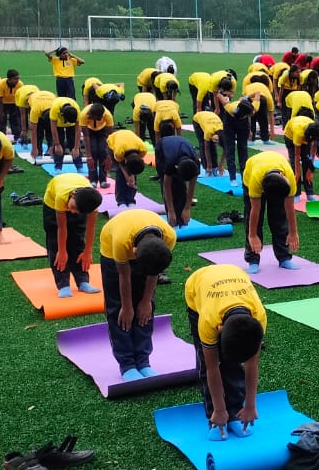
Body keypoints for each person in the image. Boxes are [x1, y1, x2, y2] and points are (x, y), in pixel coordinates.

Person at [184, 264, 265, 441]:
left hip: (233, 279)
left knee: (232, 365)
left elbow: (252, 364)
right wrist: (219, 409)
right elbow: (212, 368)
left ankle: (235, 411)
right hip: (198, 289)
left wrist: (250, 405)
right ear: (219, 330)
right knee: (207, 362)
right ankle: (215, 416)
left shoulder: (258, 319)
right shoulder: (208, 321)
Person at [98, 209, 176, 382]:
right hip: (112, 249)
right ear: (134, 251)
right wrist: (127, 307)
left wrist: (146, 301)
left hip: (144, 247)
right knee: (119, 310)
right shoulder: (121, 242)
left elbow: (153, 272)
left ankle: (143, 361)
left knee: (145, 310)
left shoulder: (169, 236)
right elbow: (124, 275)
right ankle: (127, 364)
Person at [43, 174, 103, 299]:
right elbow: (61, 228)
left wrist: (88, 251)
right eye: (74, 208)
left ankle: (83, 281)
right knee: (57, 248)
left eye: (78, 212)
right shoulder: (61, 197)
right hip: (52, 205)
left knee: (77, 240)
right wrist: (62, 250)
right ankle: (63, 284)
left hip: (78, 201)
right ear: (73, 195)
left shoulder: (91, 203)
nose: (73, 212)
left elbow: (90, 229)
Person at [242, 152, 299, 274]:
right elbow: (254, 210)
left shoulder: (289, 179)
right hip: (252, 172)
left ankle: (284, 257)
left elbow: (289, 208)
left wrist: (293, 232)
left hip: (273, 173)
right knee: (254, 221)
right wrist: (252, 235)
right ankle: (253, 260)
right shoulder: (255, 181)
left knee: (279, 217)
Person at [156, 132, 201, 228]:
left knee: (181, 187)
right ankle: (172, 220)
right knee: (172, 185)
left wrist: (187, 208)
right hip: (162, 146)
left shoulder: (195, 163)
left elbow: (192, 186)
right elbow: (166, 186)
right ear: (176, 167)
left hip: (180, 146)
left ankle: (181, 220)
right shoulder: (170, 162)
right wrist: (171, 211)